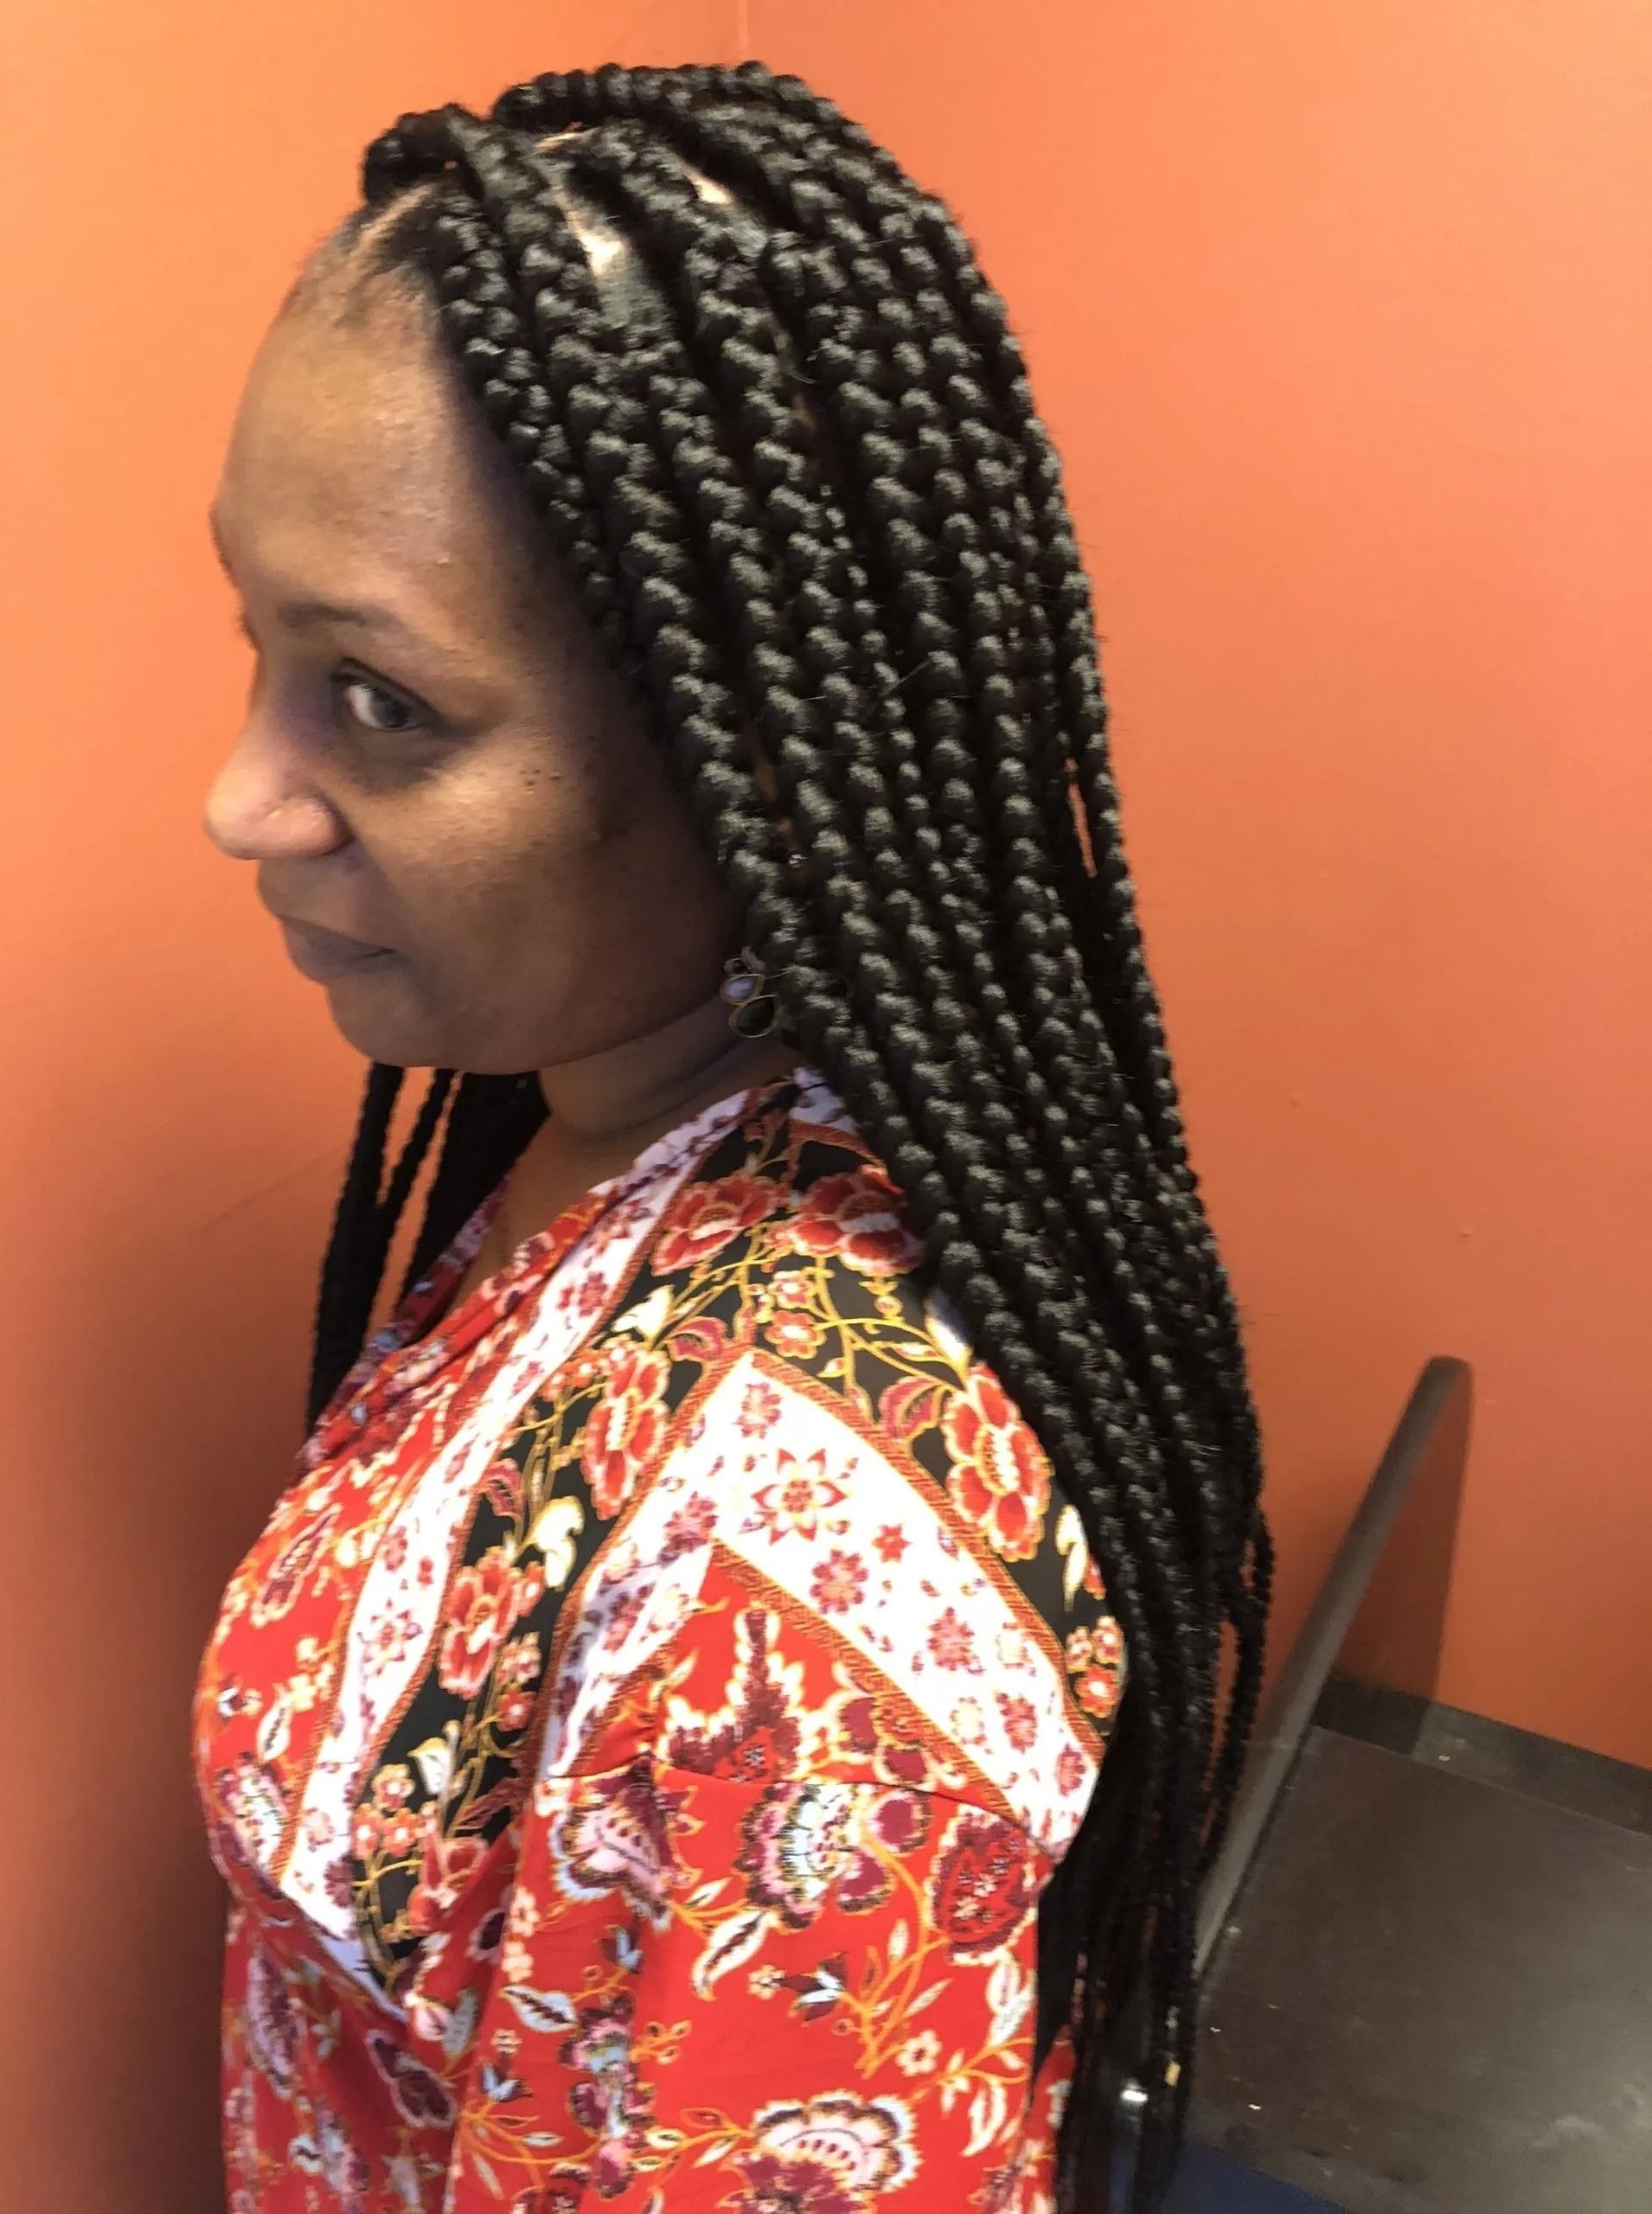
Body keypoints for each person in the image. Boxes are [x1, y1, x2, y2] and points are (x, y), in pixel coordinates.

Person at [194, 61, 1270, 2214]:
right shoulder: (630, 1120)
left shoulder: (779, 1591)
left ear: (751, 774)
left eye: (380, 700)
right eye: (265, 647)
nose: (243, 793)